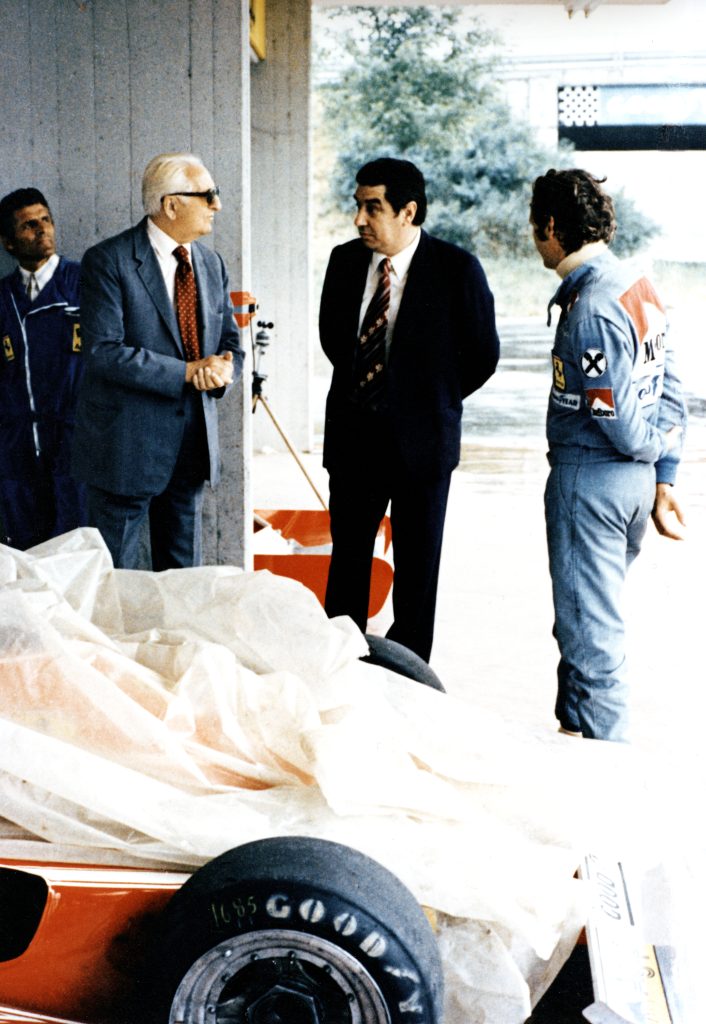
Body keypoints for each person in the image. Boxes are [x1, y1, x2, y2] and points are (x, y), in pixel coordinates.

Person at [319, 157, 500, 662]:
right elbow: (335, 341)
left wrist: (423, 402)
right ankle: (340, 666)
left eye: (372, 207)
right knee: (348, 564)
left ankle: (407, 675)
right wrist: (371, 394)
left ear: (408, 211)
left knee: (418, 574)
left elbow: (482, 356)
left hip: (423, 447)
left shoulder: (457, 269)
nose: (359, 219)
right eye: (357, 206)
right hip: (354, 441)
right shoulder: (344, 262)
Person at [530, 168, 687, 742]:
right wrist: (662, 473)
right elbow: (672, 389)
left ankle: (607, 768)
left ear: (550, 225)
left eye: (535, 226)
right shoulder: (636, 285)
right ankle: (576, 737)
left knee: (592, 637)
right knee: (581, 619)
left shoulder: (591, 306)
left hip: (590, 482)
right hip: (631, 488)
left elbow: (616, 419)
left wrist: (650, 451)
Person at [72, 153, 244, 570]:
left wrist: (223, 370)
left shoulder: (210, 262)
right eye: (208, 195)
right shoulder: (108, 261)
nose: (217, 205)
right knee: (116, 580)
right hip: (126, 448)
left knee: (184, 581)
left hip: (191, 446)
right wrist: (188, 371)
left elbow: (230, 344)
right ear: (171, 204)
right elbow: (102, 352)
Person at [0, 188, 86, 550]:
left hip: (73, 437)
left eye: (46, 220)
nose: (42, 230)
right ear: (8, 243)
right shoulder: (4, 297)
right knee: (24, 550)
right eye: (29, 225)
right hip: (16, 443)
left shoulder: (84, 282)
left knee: (71, 549)